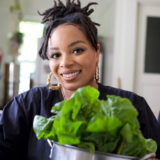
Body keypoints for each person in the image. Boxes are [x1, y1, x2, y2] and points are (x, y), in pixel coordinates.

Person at [0, 0, 160, 159]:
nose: (65, 63)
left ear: (96, 52)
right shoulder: (27, 106)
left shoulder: (133, 107)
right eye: (56, 55)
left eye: (77, 50)